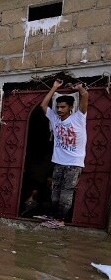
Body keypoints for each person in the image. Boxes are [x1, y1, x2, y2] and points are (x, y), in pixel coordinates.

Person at [40, 79, 88, 227]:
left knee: (66, 193)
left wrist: (80, 88)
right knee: (55, 191)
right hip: (59, 162)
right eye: (58, 107)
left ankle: (60, 221)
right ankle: (54, 217)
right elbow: (43, 105)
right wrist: (54, 87)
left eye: (63, 107)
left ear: (70, 107)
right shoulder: (55, 119)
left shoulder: (79, 118)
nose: (59, 109)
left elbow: (85, 96)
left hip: (74, 164)